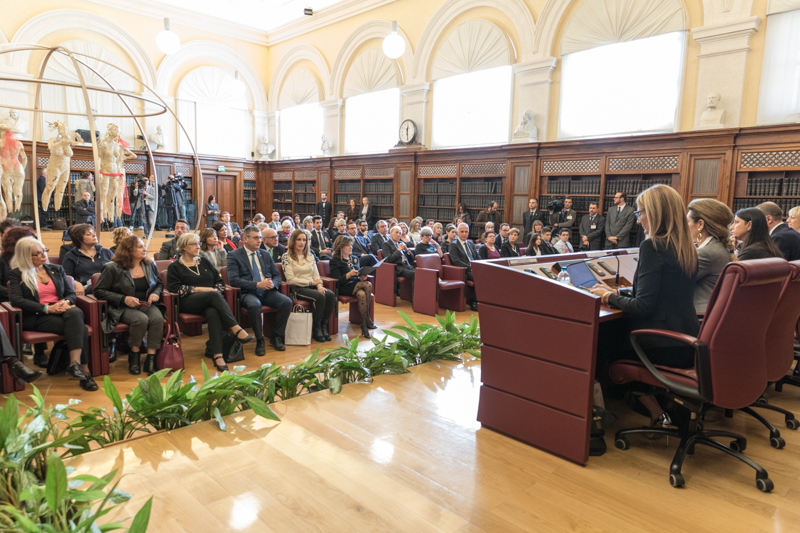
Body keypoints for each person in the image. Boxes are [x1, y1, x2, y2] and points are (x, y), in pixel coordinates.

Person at [589, 184, 699, 430]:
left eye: (640, 213)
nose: (638, 221)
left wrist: (607, 296)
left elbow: (643, 307)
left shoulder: (653, 246)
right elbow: (664, 294)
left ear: (656, 213)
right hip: (685, 338)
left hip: (659, 343)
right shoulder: (685, 247)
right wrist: (619, 293)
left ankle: (647, 414)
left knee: (601, 339)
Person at [10, 237, 96, 391]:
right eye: (38, 253)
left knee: (75, 311)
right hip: (37, 315)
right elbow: (17, 300)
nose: (44, 255)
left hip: (61, 309)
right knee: (79, 328)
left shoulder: (56, 269)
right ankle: (84, 372)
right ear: (26, 256)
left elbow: (70, 294)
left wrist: (65, 303)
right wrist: (47, 308)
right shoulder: (17, 274)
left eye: (45, 250)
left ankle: (75, 365)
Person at [167, 233, 254, 372]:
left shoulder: (204, 262)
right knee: (213, 295)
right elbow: (175, 288)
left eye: (198, 244)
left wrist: (214, 291)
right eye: (194, 244)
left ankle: (218, 355)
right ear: (183, 247)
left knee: (213, 313)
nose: (198, 247)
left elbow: (219, 281)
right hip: (188, 302)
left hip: (210, 302)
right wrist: (202, 289)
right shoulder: (175, 267)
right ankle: (235, 328)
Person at [95, 236, 165, 375]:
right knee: (140, 319)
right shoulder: (112, 267)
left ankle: (150, 360)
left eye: (144, 246)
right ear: (128, 250)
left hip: (145, 304)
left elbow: (159, 284)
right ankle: (134, 356)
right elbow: (98, 291)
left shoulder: (150, 264)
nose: (144, 249)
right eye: (140, 246)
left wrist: (155, 293)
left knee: (157, 319)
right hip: (122, 307)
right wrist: (123, 298)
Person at [227, 226, 292, 355]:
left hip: (267, 291)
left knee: (287, 302)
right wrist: (257, 285)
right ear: (245, 239)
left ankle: (276, 336)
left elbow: (277, 275)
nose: (259, 241)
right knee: (254, 305)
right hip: (248, 292)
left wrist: (273, 284)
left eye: (260, 238)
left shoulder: (265, 254)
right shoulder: (234, 255)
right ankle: (259, 339)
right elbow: (233, 280)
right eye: (256, 238)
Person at [0, 226, 48, 366]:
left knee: (38, 304)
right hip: (7, 301)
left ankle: (40, 352)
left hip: (30, 298)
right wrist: (14, 293)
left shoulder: (35, 260)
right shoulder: (3, 261)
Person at [282, 230, 336, 343]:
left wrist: (320, 286)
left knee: (330, 295)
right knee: (319, 297)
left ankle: (323, 325)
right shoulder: (286, 256)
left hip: (312, 286)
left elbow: (316, 275)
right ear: (293, 241)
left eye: (304, 240)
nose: (302, 242)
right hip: (297, 288)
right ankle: (316, 328)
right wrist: (313, 283)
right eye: (299, 239)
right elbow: (291, 279)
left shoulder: (310, 255)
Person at [686, 198, 736, 313]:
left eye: (687, 222)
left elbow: (674, 282)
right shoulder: (719, 246)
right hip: (710, 313)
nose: (684, 227)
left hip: (699, 317)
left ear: (700, 224)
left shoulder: (706, 253)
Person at [330, 235, 376, 338]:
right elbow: (337, 282)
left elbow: (358, 275)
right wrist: (349, 275)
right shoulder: (335, 261)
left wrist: (362, 277)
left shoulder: (354, 258)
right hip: (344, 287)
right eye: (348, 245)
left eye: (351, 245)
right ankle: (366, 319)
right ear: (341, 247)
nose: (351, 247)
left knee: (361, 293)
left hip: (356, 285)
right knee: (368, 285)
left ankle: (363, 324)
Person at [62, 224, 114, 295]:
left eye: (93, 232)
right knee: (97, 284)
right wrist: (76, 283)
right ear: (79, 239)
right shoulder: (71, 255)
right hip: (87, 287)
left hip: (109, 284)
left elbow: (118, 270)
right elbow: (65, 276)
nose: (94, 235)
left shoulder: (107, 252)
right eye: (89, 234)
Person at [448, 223, 479, 310]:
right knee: (480, 277)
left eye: (466, 232)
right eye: (462, 231)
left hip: (475, 268)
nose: (464, 234)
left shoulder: (471, 243)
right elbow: (456, 261)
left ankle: (481, 300)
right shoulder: (453, 245)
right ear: (457, 232)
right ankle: (474, 301)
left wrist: (481, 266)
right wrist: (471, 268)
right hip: (465, 270)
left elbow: (477, 257)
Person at [382, 226, 416, 293]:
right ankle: (414, 297)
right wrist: (398, 250)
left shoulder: (400, 243)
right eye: (396, 232)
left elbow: (412, 259)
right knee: (416, 274)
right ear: (391, 233)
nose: (398, 235)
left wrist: (407, 250)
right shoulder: (386, 244)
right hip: (399, 268)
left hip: (408, 266)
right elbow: (388, 259)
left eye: (400, 233)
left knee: (424, 273)